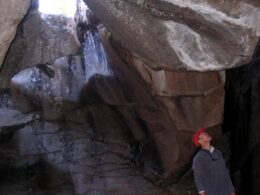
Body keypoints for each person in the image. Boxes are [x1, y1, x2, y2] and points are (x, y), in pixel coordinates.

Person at [192, 128, 236, 195]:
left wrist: (231, 191)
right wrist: (202, 193)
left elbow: (225, 173)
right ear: (199, 141)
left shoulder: (217, 152)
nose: (206, 134)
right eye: (203, 134)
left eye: (205, 133)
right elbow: (198, 178)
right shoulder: (198, 158)